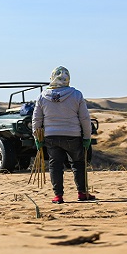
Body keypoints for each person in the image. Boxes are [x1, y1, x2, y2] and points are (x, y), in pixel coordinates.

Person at [32, 66, 95, 204]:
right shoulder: (76, 94)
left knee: (55, 165)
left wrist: (37, 138)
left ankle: (58, 196)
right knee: (78, 163)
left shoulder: (42, 96)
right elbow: (85, 118)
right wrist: (87, 137)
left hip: (51, 136)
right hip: (73, 135)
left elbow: (36, 119)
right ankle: (82, 193)